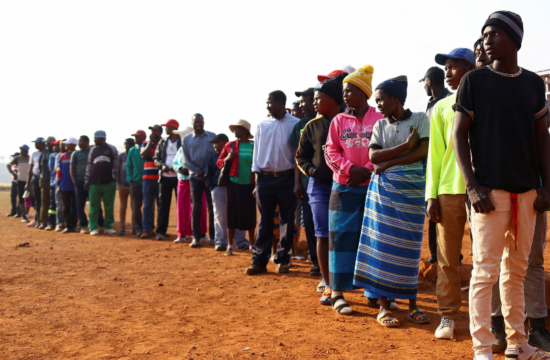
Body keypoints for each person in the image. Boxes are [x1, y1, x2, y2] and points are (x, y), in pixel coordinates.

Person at [453, 11, 550, 360]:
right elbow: (458, 134)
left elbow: (543, 138)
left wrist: (546, 186)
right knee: (485, 271)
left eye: (495, 33)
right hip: (489, 192)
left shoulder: (532, 84)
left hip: (526, 192)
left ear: (515, 40)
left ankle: (516, 344)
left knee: (518, 270)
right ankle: (481, 349)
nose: (487, 39)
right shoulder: (475, 81)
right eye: (485, 34)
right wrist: (473, 186)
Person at [354, 75, 431, 327]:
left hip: (412, 192)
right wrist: (404, 147)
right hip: (384, 192)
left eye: (381, 100)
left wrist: (390, 162)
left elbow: (423, 151)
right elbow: (374, 156)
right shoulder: (379, 125)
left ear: (395, 98)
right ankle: (384, 307)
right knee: (382, 244)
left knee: (409, 248)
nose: (378, 105)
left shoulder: (420, 118)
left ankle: (412, 306)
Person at [324, 65, 384, 314]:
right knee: (340, 239)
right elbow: (330, 150)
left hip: (372, 188)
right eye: (344, 91)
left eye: (350, 90)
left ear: (363, 92)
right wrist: (350, 169)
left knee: (372, 238)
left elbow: (384, 148)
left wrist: (366, 170)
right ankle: (337, 292)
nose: (345, 95)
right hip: (344, 187)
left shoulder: (379, 119)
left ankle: (373, 291)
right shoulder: (338, 120)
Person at [424, 48, 476, 339]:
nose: (447, 73)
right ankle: (447, 317)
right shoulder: (442, 107)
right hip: (448, 189)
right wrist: (431, 195)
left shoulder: (486, 99)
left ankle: (492, 319)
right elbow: (436, 154)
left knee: (486, 258)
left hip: (483, 189)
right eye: (445, 68)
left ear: (470, 67)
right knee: (446, 258)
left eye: (453, 67)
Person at [296, 72, 346, 304]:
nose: (314, 102)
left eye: (318, 98)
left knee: (347, 235)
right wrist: (313, 172)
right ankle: (328, 284)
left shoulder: (349, 121)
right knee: (322, 235)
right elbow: (300, 156)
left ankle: (348, 281)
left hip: (347, 185)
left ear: (334, 100)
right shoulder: (311, 126)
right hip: (319, 188)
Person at [245, 91, 299, 275]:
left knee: (287, 221)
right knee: (264, 221)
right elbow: (256, 153)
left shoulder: (295, 124)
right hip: (265, 179)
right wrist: (257, 181)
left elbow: (297, 154)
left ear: (281, 103)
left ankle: (283, 260)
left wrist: (296, 182)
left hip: (287, 178)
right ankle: (259, 261)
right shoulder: (261, 125)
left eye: (270, 103)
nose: (267, 106)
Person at [288, 87, 319, 277]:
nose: (301, 105)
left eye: (304, 101)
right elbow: (296, 156)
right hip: (307, 184)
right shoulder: (299, 126)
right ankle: (316, 261)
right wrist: (297, 182)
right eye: (300, 102)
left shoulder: (331, 120)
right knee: (309, 223)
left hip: (330, 183)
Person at [217, 121, 257, 255]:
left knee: (250, 214)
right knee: (232, 214)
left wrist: (256, 184)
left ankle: (252, 243)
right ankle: (230, 245)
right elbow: (219, 162)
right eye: (235, 129)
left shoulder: (254, 146)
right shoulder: (230, 145)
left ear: (246, 131)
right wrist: (227, 158)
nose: (235, 131)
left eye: (238, 129)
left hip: (250, 185)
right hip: (233, 184)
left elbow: (258, 164)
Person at [182, 114, 216, 248]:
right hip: (195, 178)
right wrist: (198, 172)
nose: (198, 124)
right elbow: (186, 161)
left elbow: (215, 156)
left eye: (200, 121)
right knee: (196, 207)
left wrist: (206, 172)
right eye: (196, 122)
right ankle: (196, 237)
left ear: (204, 122)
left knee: (212, 208)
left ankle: (214, 238)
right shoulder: (186, 139)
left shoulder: (212, 136)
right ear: (192, 123)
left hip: (209, 177)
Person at [172, 126, 209, 243]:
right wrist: (180, 168)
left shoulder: (197, 147)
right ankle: (181, 234)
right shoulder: (180, 150)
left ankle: (201, 234)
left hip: (196, 180)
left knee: (199, 207)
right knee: (182, 209)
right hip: (182, 181)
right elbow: (175, 164)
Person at [84, 130, 118, 236]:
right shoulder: (92, 150)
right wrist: (86, 180)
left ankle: (108, 226)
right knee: (94, 206)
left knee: (109, 205)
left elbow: (115, 165)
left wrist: (115, 178)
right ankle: (93, 227)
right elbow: (89, 166)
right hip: (94, 182)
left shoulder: (111, 149)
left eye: (96, 138)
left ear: (102, 139)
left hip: (109, 182)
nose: (94, 140)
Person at [153, 119, 181, 240]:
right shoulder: (163, 141)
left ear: (174, 128)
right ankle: (161, 232)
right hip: (164, 178)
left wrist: (179, 167)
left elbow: (187, 156)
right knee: (163, 206)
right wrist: (162, 166)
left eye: (168, 127)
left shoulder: (182, 141)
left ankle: (183, 233)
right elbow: (156, 158)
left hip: (179, 177)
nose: (165, 129)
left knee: (181, 206)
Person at [71, 135, 104, 234]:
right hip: (80, 181)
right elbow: (72, 168)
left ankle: (100, 224)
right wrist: (74, 180)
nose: (78, 143)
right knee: (80, 205)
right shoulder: (76, 154)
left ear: (86, 142)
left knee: (95, 203)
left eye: (80, 141)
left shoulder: (93, 152)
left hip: (93, 182)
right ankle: (83, 225)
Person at [140, 125, 162, 239]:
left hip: (160, 179)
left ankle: (160, 231)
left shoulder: (164, 143)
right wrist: (150, 142)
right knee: (147, 205)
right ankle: (147, 230)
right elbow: (144, 155)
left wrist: (152, 156)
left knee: (160, 206)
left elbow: (163, 157)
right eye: (152, 131)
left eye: (155, 131)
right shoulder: (145, 143)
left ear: (160, 132)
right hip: (147, 178)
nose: (153, 133)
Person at [126, 130, 146, 237]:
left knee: (148, 206)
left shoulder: (147, 148)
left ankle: (149, 227)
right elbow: (128, 165)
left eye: (137, 137)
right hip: (135, 182)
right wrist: (130, 179)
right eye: (134, 137)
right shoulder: (132, 150)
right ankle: (137, 228)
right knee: (136, 207)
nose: (135, 139)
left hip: (147, 182)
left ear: (143, 137)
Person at [57, 138, 78, 232]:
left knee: (75, 206)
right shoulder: (62, 156)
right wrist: (58, 185)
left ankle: (74, 225)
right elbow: (59, 171)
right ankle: (68, 225)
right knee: (66, 207)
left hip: (76, 185)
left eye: (68, 144)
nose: (66, 145)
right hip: (64, 185)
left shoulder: (78, 155)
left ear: (73, 145)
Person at [36, 136, 55, 229]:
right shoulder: (44, 153)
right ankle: (43, 222)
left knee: (55, 202)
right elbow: (40, 168)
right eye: (48, 142)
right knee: (44, 202)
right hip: (44, 180)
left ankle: (55, 222)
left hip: (55, 181)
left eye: (51, 142)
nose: (49, 144)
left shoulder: (57, 153)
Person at [7, 145, 30, 222]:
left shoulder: (30, 158)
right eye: (20, 149)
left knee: (33, 198)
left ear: (26, 150)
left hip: (30, 181)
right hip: (20, 181)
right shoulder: (17, 159)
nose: (21, 151)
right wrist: (13, 174)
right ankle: (23, 216)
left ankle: (36, 217)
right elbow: (8, 165)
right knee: (21, 198)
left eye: (22, 149)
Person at [116, 138, 134, 236]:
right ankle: (122, 228)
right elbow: (118, 169)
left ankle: (134, 228)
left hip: (133, 185)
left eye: (126, 144)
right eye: (124, 144)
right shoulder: (122, 156)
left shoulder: (135, 154)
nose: (125, 145)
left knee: (134, 207)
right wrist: (118, 182)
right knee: (123, 207)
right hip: (122, 185)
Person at [26, 137, 45, 228]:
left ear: (42, 143)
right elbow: (30, 169)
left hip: (45, 179)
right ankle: (36, 220)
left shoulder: (47, 153)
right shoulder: (34, 154)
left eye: (36, 143)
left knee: (45, 200)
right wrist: (27, 182)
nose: (35, 144)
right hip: (36, 179)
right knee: (37, 200)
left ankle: (44, 220)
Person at [46, 140, 62, 230]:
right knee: (53, 204)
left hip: (63, 183)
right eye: (53, 146)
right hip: (54, 183)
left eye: (56, 146)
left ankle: (61, 222)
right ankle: (51, 223)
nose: (54, 147)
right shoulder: (52, 155)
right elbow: (53, 169)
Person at [6, 152, 21, 217]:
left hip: (20, 182)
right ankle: (13, 211)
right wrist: (12, 173)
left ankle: (18, 211)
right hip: (14, 182)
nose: (14, 158)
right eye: (14, 156)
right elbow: (8, 166)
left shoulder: (20, 164)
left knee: (20, 198)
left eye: (15, 156)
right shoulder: (13, 165)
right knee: (13, 197)